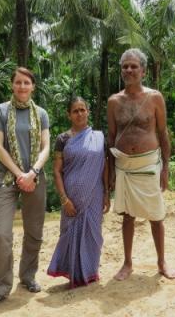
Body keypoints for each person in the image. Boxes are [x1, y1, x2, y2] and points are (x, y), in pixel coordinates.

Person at [107, 48, 175, 281]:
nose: (128, 70)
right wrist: (110, 171)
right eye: (125, 66)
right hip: (124, 165)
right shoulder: (114, 102)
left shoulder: (155, 97)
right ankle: (127, 263)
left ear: (143, 71)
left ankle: (162, 262)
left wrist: (165, 168)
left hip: (149, 164)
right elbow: (111, 137)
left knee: (156, 215)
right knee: (127, 215)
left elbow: (163, 133)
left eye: (133, 66)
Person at [0, 67, 50, 310]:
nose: (22, 87)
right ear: (12, 86)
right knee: (2, 234)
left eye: (27, 83)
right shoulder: (0, 111)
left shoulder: (41, 113)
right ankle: (0, 287)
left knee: (34, 230)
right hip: (6, 178)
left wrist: (32, 173)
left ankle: (28, 276)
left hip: (35, 177)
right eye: (18, 82)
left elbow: (46, 147)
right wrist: (19, 174)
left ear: (33, 86)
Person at [47, 97, 110, 288]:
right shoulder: (63, 139)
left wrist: (107, 193)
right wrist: (64, 199)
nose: (79, 114)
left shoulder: (99, 137)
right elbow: (57, 170)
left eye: (83, 110)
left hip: (95, 195)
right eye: (75, 111)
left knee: (93, 233)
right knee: (70, 234)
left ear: (88, 112)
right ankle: (74, 274)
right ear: (69, 115)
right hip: (71, 199)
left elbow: (105, 167)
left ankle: (90, 273)